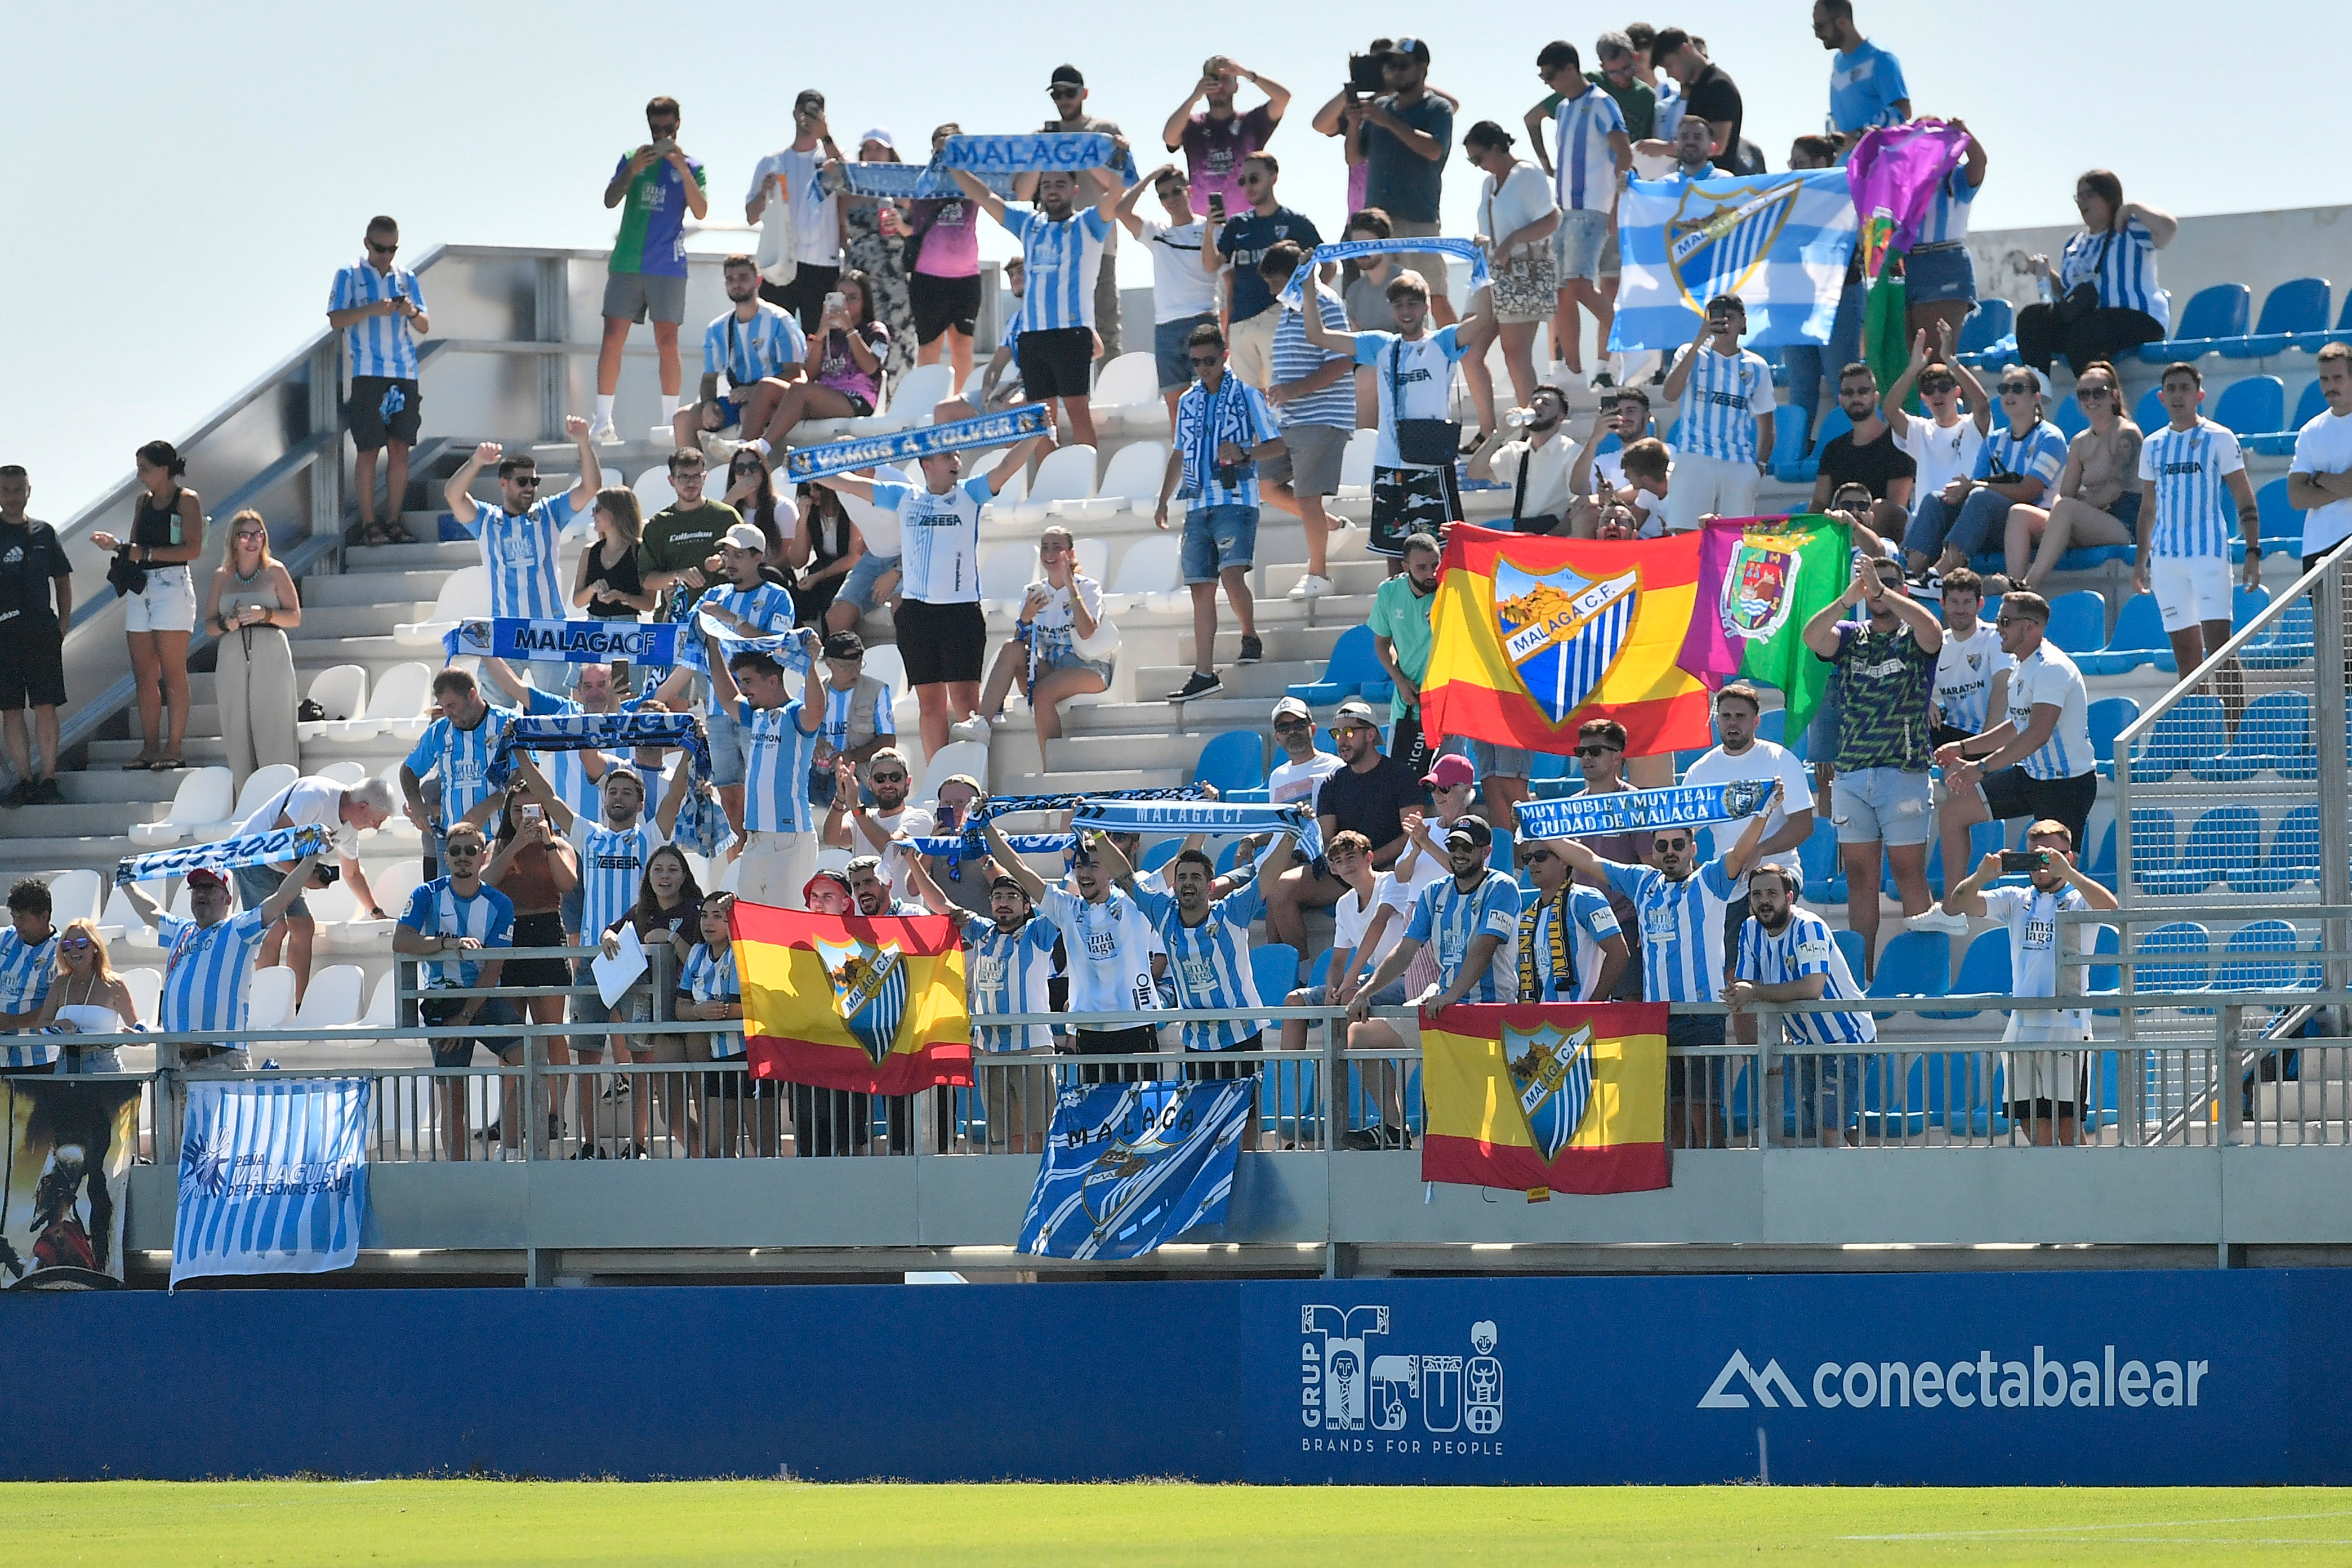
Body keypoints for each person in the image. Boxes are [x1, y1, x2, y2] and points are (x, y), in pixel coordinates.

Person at [1558, 782, 1781, 1146]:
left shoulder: (1709, 880)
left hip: (1701, 1015)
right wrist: (1539, 828)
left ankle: (1716, 1186)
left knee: (1702, 1113)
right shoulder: (1643, 882)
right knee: (1669, 1115)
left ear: (1692, 848)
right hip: (1658, 1016)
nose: (1670, 852)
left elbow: (1741, 854)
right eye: (1661, 846)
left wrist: (1764, 812)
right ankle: (1681, 1194)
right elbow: (1588, 861)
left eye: (1678, 845)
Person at [813, 433, 1047, 755]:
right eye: (948, 456)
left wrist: (1034, 434)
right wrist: (804, 466)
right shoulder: (903, 495)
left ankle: (970, 778)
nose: (957, 462)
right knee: (930, 704)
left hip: (960, 612)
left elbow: (1007, 466)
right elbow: (846, 483)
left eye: (957, 456)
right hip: (917, 615)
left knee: (966, 703)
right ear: (927, 464)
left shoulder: (969, 494)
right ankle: (941, 779)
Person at [1103, 827, 1299, 1148]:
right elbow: (1125, 877)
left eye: (1195, 877)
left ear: (1209, 886)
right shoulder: (1163, 914)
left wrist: (1291, 834)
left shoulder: (1231, 911)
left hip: (1240, 1035)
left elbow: (1266, 876)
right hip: (1196, 1039)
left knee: (1246, 1121)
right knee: (1202, 1124)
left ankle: (1249, 1180)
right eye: (1182, 877)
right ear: (1175, 884)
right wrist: (1099, 838)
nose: (1187, 883)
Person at [1344, 816, 1523, 1147]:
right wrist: (1365, 992)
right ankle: (1395, 1128)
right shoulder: (1434, 892)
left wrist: (1453, 995)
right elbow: (1405, 950)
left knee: (1471, 1113)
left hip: (1488, 1009)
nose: (1458, 853)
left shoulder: (1502, 887)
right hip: (1443, 1007)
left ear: (1485, 852)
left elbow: (1484, 948)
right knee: (1362, 1035)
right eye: (1453, 845)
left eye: (1467, 848)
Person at [1802, 560, 1943, 978]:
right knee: (1860, 880)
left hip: (1903, 773)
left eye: (1891, 581)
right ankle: (1862, 980)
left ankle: (1921, 980)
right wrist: (1850, 598)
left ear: (1903, 588)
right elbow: (1813, 636)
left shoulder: (1915, 638)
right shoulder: (1850, 636)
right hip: (1851, 775)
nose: (1878, 589)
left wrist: (1884, 593)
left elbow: (1933, 631)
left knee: (1907, 875)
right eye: (1871, 582)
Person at [1302, 268, 1490, 571]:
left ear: (1426, 306)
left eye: (1413, 303)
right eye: (1399, 304)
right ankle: (1398, 613)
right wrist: (1308, 287)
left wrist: (1482, 272)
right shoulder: (1382, 344)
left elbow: (1483, 320)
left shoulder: (1442, 341)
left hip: (1431, 464)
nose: (1406, 311)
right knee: (1395, 553)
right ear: (1391, 308)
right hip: (1390, 463)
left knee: (1441, 552)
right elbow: (1318, 336)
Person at [1927, 591, 2099, 916]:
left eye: (2005, 622)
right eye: (1997, 621)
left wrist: (1981, 767)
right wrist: (1962, 748)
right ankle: (1953, 910)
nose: (1998, 629)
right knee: (1953, 813)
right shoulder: (2022, 666)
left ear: (2031, 627)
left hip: (2066, 787)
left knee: (2052, 876)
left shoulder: (2052, 668)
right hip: (2032, 776)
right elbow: (2016, 726)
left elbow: (2037, 734)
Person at [951, 159, 1123, 451]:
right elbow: (985, 197)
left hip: (1071, 332)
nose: (1053, 191)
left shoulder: (1088, 223)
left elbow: (1117, 192)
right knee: (1041, 420)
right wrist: (953, 165)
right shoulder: (1029, 224)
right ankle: (1049, 488)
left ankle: (1085, 483)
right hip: (1033, 336)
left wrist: (1104, 157)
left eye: (1060, 184)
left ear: (1075, 190)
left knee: (1078, 413)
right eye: (1046, 185)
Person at [1681, 683, 1819, 1040]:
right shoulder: (1700, 771)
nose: (1732, 723)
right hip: (1727, 883)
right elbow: (1685, 833)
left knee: (1764, 968)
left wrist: (1762, 850)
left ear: (1756, 721)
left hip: (1778, 872)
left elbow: (1804, 825)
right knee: (1735, 975)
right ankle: (1751, 1060)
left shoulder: (1779, 760)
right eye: (1725, 716)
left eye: (1740, 717)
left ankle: (1786, 1043)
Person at [1156, 324, 1284, 700]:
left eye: (1209, 360)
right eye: (1196, 363)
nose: (1203, 368)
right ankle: (1204, 672)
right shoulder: (1189, 401)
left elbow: (1276, 445)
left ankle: (1249, 634)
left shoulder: (1246, 394)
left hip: (1235, 497)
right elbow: (1180, 451)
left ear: (1224, 357)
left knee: (1231, 575)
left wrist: (1244, 454)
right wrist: (1164, 498)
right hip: (1197, 501)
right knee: (1201, 589)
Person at [987, 819, 1162, 1083]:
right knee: (1096, 1118)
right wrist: (987, 826)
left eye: (1094, 865)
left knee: (1140, 1118)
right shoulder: (1066, 908)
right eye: (1079, 866)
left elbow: (1185, 857)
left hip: (1135, 1026)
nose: (1084, 873)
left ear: (1111, 870)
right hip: (1089, 1031)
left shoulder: (1133, 900)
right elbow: (1019, 869)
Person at [121, 848, 320, 1073]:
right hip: (179, 1062)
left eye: (208, 887)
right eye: (195, 888)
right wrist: (127, 883)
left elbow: (281, 899)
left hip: (221, 1059)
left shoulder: (239, 928)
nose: (200, 894)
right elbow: (151, 912)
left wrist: (311, 859)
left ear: (227, 898)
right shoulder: (182, 931)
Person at [387, 823, 518, 1157]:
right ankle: (459, 1172)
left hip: (484, 998)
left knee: (529, 1060)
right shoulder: (426, 894)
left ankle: (517, 1152)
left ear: (483, 856)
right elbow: (401, 940)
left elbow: (494, 967)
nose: (463, 858)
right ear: (446, 857)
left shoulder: (500, 903)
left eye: (471, 851)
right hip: (443, 1000)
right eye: (456, 851)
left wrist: (466, 1016)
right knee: (453, 1093)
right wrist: (446, 943)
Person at [443, 417, 602, 691]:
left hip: (549, 632)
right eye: (522, 481)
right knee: (496, 715)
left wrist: (584, 443)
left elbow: (590, 487)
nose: (530, 487)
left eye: (534, 481)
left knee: (555, 715)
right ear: (503, 484)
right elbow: (453, 495)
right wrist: (477, 461)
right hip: (505, 633)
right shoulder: (486, 520)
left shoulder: (550, 513)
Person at [1725, 860, 1872, 1145]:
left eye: (1772, 893)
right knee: (1824, 1128)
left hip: (1845, 1041)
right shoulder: (1750, 930)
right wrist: (1738, 993)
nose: (1764, 901)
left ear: (1789, 898)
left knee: (1828, 1130)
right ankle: (1861, 1180)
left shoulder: (1809, 926)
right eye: (1756, 895)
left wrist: (1753, 993)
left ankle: (1837, 1189)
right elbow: (1749, 984)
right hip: (1804, 1044)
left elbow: (1812, 987)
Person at [2136, 362, 2261, 693]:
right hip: (2166, 560)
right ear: (2162, 398)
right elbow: (2148, 508)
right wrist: (2141, 560)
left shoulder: (2219, 438)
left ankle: (2236, 737)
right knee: (2186, 657)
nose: (2178, 395)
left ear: (2199, 395)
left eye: (2185, 388)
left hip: (2209, 555)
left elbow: (2244, 499)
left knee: (2221, 648)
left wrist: (2252, 551)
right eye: (2172, 390)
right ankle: (2200, 738)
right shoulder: (2153, 445)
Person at [592, 97, 708, 444]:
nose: (662, 134)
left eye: (668, 128)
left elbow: (701, 210)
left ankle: (670, 421)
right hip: (628, 260)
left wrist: (682, 168)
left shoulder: (693, 165)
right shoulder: (632, 158)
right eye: (656, 129)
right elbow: (610, 199)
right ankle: (603, 421)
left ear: (679, 124)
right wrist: (632, 171)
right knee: (613, 337)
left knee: (667, 340)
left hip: (668, 266)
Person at [1265, 698, 1421, 949]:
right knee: (1279, 888)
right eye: (1337, 733)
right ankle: (1301, 973)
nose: (1341, 740)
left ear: (1371, 734)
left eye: (1349, 732)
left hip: (1389, 869)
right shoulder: (1332, 782)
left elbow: (1413, 835)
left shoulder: (1399, 775)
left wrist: (1370, 859)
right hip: (1345, 868)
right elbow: (1327, 837)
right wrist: (1339, 861)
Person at [681, 521, 803, 837]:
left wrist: (731, 620)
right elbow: (686, 639)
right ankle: (735, 867)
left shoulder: (778, 597)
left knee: (759, 792)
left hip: (759, 710)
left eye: (738, 555)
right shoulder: (713, 594)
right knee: (727, 798)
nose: (730, 562)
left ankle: (760, 857)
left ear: (757, 557)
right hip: (718, 710)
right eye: (727, 554)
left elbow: (778, 644)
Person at [90, 440, 204, 772]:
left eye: (145, 469)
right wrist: (118, 547)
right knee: (144, 675)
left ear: (164, 469)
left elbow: (192, 549)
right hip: (143, 587)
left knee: (173, 672)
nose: (140, 475)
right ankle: (150, 747)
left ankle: (175, 747)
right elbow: (135, 545)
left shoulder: (187, 501)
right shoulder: (144, 501)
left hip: (172, 585)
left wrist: (148, 554)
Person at [1524, 42, 1631, 390]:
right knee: (1562, 293)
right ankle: (1572, 371)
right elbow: (1531, 121)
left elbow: (1623, 155)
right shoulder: (1566, 108)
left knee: (1581, 286)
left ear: (1570, 68)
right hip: (1565, 212)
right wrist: (1544, 163)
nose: (1547, 82)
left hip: (1592, 210)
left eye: (1550, 75)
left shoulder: (1601, 103)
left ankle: (1622, 340)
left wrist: (1616, 205)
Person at [232, 772, 395, 997]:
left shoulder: (350, 827)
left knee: (303, 927)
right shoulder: (316, 796)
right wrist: (306, 878)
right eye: (376, 820)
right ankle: (265, 1003)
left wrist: (376, 912)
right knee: (274, 928)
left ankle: (295, 1005)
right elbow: (272, 844)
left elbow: (353, 873)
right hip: (252, 854)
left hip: (284, 862)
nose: (376, 827)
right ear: (362, 807)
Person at [482, 781, 580, 1152]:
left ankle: (556, 1113)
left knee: (552, 1029)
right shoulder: (498, 847)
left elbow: (567, 884)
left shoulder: (560, 846)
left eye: (532, 810)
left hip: (546, 931)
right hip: (509, 936)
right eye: (518, 811)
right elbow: (485, 883)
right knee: (512, 1036)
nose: (525, 818)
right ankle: (511, 1116)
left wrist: (547, 841)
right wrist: (515, 847)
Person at [1905, 365, 2066, 585]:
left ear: (2036, 397)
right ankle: (1912, 573)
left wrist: (1973, 487)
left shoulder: (2051, 438)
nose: (2009, 394)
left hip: (2032, 525)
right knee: (1935, 500)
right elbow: (1975, 485)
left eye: (2018, 389)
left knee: (1981, 497)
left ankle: (1938, 575)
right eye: (2004, 389)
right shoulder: (1994, 440)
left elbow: (2028, 492)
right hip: (1994, 523)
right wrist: (1960, 492)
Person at [1258, 242, 1356, 598]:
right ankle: (1332, 527)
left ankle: (1319, 576)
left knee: (1308, 495)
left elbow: (1345, 360)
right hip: (1292, 420)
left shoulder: (1326, 303)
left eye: (1276, 280)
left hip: (1323, 417)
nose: (1271, 289)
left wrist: (1293, 390)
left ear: (1299, 275)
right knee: (1265, 486)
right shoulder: (1290, 305)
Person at [595, 844, 704, 1159]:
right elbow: (612, 931)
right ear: (649, 876)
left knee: (707, 1106)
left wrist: (670, 940)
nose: (665, 876)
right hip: (663, 1022)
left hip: (696, 1018)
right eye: (658, 870)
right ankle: (705, 1162)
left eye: (672, 870)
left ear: (684, 875)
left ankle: (718, 1164)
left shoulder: (698, 910)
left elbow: (701, 965)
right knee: (670, 1114)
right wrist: (609, 937)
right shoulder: (642, 911)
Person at [964, 527, 1108, 765]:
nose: (1050, 553)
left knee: (1043, 693)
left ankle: (1052, 769)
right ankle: (981, 723)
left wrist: (1071, 588)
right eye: (1045, 547)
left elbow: (1087, 631)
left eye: (1057, 547)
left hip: (1088, 669)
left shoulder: (1088, 587)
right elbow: (1023, 642)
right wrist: (1026, 618)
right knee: (1011, 648)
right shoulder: (1033, 591)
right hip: (1050, 669)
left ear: (1070, 553)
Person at [2016, 171, 2177, 378]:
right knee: (2033, 317)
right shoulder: (2075, 243)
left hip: (2137, 317)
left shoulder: (2130, 229)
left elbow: (2169, 228)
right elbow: (2069, 295)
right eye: (2079, 196)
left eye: (2089, 194)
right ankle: (2038, 388)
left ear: (2109, 196)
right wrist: (2047, 274)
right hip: (2091, 322)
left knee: (2084, 332)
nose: (2082, 201)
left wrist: (2132, 207)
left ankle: (2097, 394)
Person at [327, 216, 428, 545]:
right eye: (381, 248)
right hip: (368, 371)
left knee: (401, 449)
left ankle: (394, 521)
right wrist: (372, 309)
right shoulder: (349, 274)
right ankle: (370, 524)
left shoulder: (406, 277)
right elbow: (336, 319)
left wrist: (410, 311)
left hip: (405, 371)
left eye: (393, 249)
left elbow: (426, 325)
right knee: (369, 450)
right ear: (367, 244)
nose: (387, 256)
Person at [1029, 65, 1138, 362]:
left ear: (1084, 94)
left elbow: (1123, 187)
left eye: (1070, 92)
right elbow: (1025, 190)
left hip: (1098, 240)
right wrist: (1045, 151)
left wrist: (1080, 154)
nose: (1064, 99)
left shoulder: (1106, 133)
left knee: (1104, 323)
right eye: (1057, 94)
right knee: (1054, 324)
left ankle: (1109, 395)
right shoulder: (1042, 137)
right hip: (1054, 246)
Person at [2002, 360, 2142, 591]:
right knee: (2019, 513)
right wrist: (2062, 511)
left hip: (2123, 526)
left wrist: (2069, 508)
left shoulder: (2127, 434)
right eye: (2084, 394)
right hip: (2086, 521)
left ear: (2114, 397)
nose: (2091, 400)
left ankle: (2028, 587)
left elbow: (2114, 491)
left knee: (2066, 508)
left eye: (2099, 393)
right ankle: (2013, 588)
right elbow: (2064, 493)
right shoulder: (2079, 441)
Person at [946, 870, 1058, 1154]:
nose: (1003, 903)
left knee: (1041, 1131)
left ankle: (1039, 1188)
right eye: (997, 897)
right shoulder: (982, 932)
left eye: (1012, 897)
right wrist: (912, 859)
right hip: (990, 1049)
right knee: (1008, 1133)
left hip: (1032, 1046)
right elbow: (940, 903)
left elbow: (1059, 904)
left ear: (1027, 905)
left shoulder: (1038, 932)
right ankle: (1017, 1190)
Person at [1459, 122, 1558, 440]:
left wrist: (1513, 240)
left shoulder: (1527, 174)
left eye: (1479, 157)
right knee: (1468, 350)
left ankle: (1533, 430)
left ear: (1497, 147)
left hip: (1521, 273)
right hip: (1489, 274)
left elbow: (1552, 219)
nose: (1477, 166)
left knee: (1515, 351)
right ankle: (1488, 431)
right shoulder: (1489, 184)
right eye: (1471, 161)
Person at [1347, 38, 1456, 326]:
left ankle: (1458, 360)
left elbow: (1434, 150)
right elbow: (1354, 158)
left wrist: (1389, 122)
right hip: (1378, 227)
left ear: (1423, 67)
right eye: (1389, 65)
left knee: (1434, 296)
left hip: (1418, 219)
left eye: (1402, 65)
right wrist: (1353, 124)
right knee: (1385, 298)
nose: (1394, 72)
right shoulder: (1380, 107)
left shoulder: (1437, 108)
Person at [1277, 830, 1406, 1057]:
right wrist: (1331, 989)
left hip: (1407, 979)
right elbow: (1338, 960)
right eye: (1338, 861)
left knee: (1350, 997)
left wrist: (1349, 981)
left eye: (1351, 857)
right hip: (1372, 980)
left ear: (1369, 858)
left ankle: (1343, 1085)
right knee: (1295, 1001)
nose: (1345, 865)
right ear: (1333, 869)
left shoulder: (1393, 881)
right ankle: (1289, 1088)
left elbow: (1379, 923)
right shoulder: (1343, 904)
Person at [1204, 153, 1322, 392]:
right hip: (1241, 322)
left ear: (1273, 177)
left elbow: (1327, 264)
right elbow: (1212, 264)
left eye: (1254, 179)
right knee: (1249, 399)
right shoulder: (1237, 224)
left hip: (1279, 316)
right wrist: (1209, 230)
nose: (1248, 186)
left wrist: (1304, 300)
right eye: (1243, 181)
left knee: (1279, 393)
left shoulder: (1296, 222)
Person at [1115, 165, 1220, 429]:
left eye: (1176, 191)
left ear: (1189, 191)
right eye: (1163, 195)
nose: (1171, 199)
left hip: (1203, 321)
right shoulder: (1157, 231)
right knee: (1177, 412)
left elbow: (1216, 270)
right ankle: (1187, 467)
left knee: (1211, 403)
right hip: (1166, 328)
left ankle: (1216, 464)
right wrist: (1150, 177)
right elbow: (1120, 211)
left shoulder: (1211, 228)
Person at [1659, 294, 1774, 531]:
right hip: (1695, 457)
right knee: (1685, 536)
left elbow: (1766, 421)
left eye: (1730, 318)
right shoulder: (1688, 353)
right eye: (1718, 318)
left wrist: (1759, 466)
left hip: (1739, 463)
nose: (1725, 325)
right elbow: (1670, 394)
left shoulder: (1757, 366)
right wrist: (1700, 338)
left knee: (1733, 540)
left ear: (1743, 322)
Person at [675, 254, 808, 457]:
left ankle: (749, 469)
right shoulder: (717, 328)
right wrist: (709, 404)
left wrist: (753, 391)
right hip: (737, 400)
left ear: (758, 281)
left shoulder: (780, 320)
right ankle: (690, 476)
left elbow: (795, 374)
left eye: (743, 277)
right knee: (682, 419)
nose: (736, 284)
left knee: (749, 412)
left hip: (775, 400)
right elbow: (709, 378)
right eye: (730, 279)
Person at [742, 270, 891, 451]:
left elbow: (872, 368)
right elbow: (811, 374)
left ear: (865, 301)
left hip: (856, 400)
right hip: (823, 394)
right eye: (842, 297)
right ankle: (742, 448)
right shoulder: (828, 333)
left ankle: (762, 448)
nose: (847, 303)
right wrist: (820, 335)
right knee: (766, 386)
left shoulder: (875, 330)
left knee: (798, 388)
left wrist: (850, 330)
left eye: (853, 298)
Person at [202, 510, 299, 785]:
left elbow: (294, 617)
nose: (253, 541)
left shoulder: (276, 571)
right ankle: (245, 800)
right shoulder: (221, 576)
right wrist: (227, 624)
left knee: (274, 729)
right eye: (245, 535)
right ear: (234, 541)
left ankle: (281, 795)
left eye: (258, 534)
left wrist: (264, 614)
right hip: (233, 653)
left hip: (270, 650)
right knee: (237, 731)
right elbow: (209, 625)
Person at [728, 646, 826, 908]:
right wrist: (713, 647)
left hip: (790, 837)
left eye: (748, 681)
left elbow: (817, 711)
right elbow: (728, 699)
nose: (743, 689)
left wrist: (811, 664)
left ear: (772, 680)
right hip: (755, 838)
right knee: (754, 928)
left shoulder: (795, 713)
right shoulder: (756, 715)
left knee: (786, 928)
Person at [1884, 330, 1992, 559]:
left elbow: (1982, 404)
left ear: (1957, 392)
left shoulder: (1973, 425)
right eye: (1929, 390)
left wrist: (1951, 360)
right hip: (1928, 522)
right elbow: (1890, 411)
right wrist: (1913, 369)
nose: (1937, 394)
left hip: (1966, 517)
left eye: (1944, 387)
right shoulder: (1920, 430)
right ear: (1923, 397)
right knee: (1882, 510)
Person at [0, 467, 72, 804]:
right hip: (4, 636)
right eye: (5, 490)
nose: (12, 497)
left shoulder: (44, 532)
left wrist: (64, 622)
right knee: (11, 710)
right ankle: (25, 780)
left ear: (29, 491)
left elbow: (62, 578)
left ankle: (49, 779)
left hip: (42, 632)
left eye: (18, 490)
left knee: (45, 706)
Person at [399, 666, 523, 861]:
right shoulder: (440, 731)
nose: (447, 713)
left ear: (472, 695)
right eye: (443, 707)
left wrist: (488, 806)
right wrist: (416, 804)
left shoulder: (509, 723)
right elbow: (409, 770)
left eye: (452, 705)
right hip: (454, 844)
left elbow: (525, 777)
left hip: (502, 839)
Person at [746, 91, 845, 335]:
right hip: (781, 261)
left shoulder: (832, 157)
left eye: (814, 112)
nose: (807, 117)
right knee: (774, 334)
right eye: (804, 111)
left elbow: (850, 181)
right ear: (794, 113)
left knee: (821, 339)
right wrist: (764, 193)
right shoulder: (772, 162)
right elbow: (750, 216)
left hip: (822, 265)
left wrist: (826, 136)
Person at [678, 893, 764, 1157]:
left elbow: (754, 1007)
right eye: (705, 916)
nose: (709, 923)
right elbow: (680, 1010)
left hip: (752, 1056)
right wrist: (699, 1011)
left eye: (718, 917)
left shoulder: (744, 953)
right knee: (716, 1150)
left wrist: (719, 1012)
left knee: (764, 1145)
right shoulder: (696, 953)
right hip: (718, 1057)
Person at [833, 130, 919, 385]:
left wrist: (901, 222)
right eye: (868, 148)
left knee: (899, 336)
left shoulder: (907, 188)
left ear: (891, 154)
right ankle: (861, 392)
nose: (873, 153)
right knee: (860, 333)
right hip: (860, 275)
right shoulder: (850, 190)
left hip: (894, 275)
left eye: (879, 148)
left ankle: (897, 398)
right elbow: (841, 231)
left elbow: (919, 229)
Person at [1164, 54, 1291, 213]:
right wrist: (1194, 98)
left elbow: (1283, 98)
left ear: (1236, 86)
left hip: (1247, 222)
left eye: (1226, 79)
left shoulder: (1251, 122)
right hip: (1204, 225)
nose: (1219, 85)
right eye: (1214, 79)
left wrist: (1246, 74)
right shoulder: (1193, 125)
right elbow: (1169, 137)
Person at [1515, 834, 1629, 1004]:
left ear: (1565, 861)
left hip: (1584, 1024)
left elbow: (1619, 953)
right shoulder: (1530, 915)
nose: (1532, 863)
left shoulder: (1586, 899)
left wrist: (1593, 1006)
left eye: (1541, 857)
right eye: (1528, 857)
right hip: (1540, 1024)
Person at [1903, 119, 1988, 345]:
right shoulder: (1901, 182)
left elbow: (1979, 161)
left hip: (1945, 264)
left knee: (1934, 356)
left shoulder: (1956, 179)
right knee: (1906, 358)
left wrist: (1963, 132)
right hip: (1904, 266)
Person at [1807, 363, 1913, 544]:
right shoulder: (1833, 449)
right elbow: (1819, 503)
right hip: (1841, 534)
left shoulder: (1898, 445)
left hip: (1884, 542)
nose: (1856, 398)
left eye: (1863, 391)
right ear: (1840, 400)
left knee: (1880, 509)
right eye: (1849, 393)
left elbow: (1895, 511)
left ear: (1876, 397)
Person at [638, 446, 741, 627]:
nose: (690, 483)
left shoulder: (726, 516)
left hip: (720, 619)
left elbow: (750, 560)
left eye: (696, 476)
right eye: (683, 477)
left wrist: (723, 560)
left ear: (705, 478)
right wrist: (679, 575)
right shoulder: (659, 524)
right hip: (675, 620)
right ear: (672, 480)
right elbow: (647, 580)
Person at [1367, 533, 1441, 777]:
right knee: (1404, 781)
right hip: (1408, 701)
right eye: (1422, 567)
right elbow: (1381, 644)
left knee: (1446, 781)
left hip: (1444, 702)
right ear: (1405, 567)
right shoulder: (1389, 592)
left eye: (1436, 565)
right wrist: (1400, 681)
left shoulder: (1450, 591)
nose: (1431, 573)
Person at [33, 920, 142, 1077]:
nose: (74, 950)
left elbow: (140, 1035)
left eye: (82, 944)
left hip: (103, 1065)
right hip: (66, 1063)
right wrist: (57, 1025)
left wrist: (132, 1037)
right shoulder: (60, 983)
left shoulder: (114, 984)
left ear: (95, 947)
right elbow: (41, 1026)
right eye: (67, 945)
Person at [1927, 567, 2012, 763]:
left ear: (1980, 604)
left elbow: (2003, 689)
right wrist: (1924, 701)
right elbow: (1908, 686)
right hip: (1954, 731)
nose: (1960, 610)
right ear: (1942, 603)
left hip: (1992, 735)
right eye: (1954, 602)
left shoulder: (1995, 637)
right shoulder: (1936, 644)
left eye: (1967, 602)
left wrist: (1985, 749)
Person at [1468, 384, 1577, 536]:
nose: (1537, 405)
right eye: (1534, 401)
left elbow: (1578, 508)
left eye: (1546, 403)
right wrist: (1499, 435)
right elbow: (1475, 472)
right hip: (1523, 534)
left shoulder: (1572, 452)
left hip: (1555, 538)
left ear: (1561, 417)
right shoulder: (1515, 451)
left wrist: (1547, 540)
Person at [805, 631, 897, 802]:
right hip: (814, 771)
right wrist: (813, 740)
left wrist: (852, 756)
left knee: (846, 800)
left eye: (858, 664)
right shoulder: (811, 688)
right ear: (829, 663)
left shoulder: (877, 690)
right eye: (846, 667)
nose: (854, 672)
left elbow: (888, 740)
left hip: (858, 775)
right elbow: (795, 727)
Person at [823, 747, 930, 893]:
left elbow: (891, 850)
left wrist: (857, 808)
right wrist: (841, 796)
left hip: (903, 913)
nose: (887, 784)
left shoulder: (920, 818)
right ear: (871, 783)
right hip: (863, 914)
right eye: (880, 778)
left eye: (895, 777)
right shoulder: (857, 816)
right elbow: (832, 838)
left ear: (908, 782)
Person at [2289, 341, 2352, 572]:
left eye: (2337, 378)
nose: (2330, 386)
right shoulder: (2310, 430)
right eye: (2324, 379)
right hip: (2317, 547)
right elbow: (2297, 497)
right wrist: (2342, 484)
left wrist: (2319, 478)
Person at [1650, 28, 1742, 173]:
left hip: (1715, 187)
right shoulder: (1698, 89)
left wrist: (1662, 148)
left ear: (1685, 49)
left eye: (1669, 65)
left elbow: (1717, 146)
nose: (1669, 74)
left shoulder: (1719, 87)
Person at [1812, 1, 1910, 135]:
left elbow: (1903, 111)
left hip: (1877, 155)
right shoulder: (1838, 62)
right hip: (1847, 157)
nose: (1817, 35)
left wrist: (1857, 137)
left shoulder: (1880, 57)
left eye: (1820, 27)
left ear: (1842, 22)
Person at [780, 475, 861, 626]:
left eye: (818, 487)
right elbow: (797, 561)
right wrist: (803, 519)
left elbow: (854, 557)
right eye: (807, 488)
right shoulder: (813, 514)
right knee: (793, 598)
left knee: (831, 598)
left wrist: (819, 576)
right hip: (823, 571)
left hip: (851, 572)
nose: (812, 493)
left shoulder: (850, 509)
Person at [0, 879, 60, 1071]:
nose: (16, 923)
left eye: (22, 917)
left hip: (40, 1061)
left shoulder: (62, 951)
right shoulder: (4, 938)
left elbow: (62, 1004)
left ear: (44, 917)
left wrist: (11, 1022)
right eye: (13, 916)